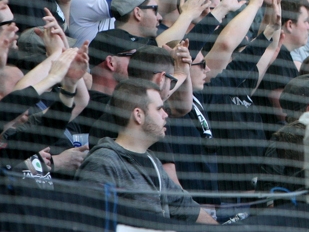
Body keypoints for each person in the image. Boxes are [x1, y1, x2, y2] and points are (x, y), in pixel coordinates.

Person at [76, 79, 218, 224]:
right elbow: (92, 221)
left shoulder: (153, 161)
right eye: (158, 109)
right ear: (138, 115)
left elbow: (186, 208)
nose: (165, 114)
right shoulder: (103, 161)